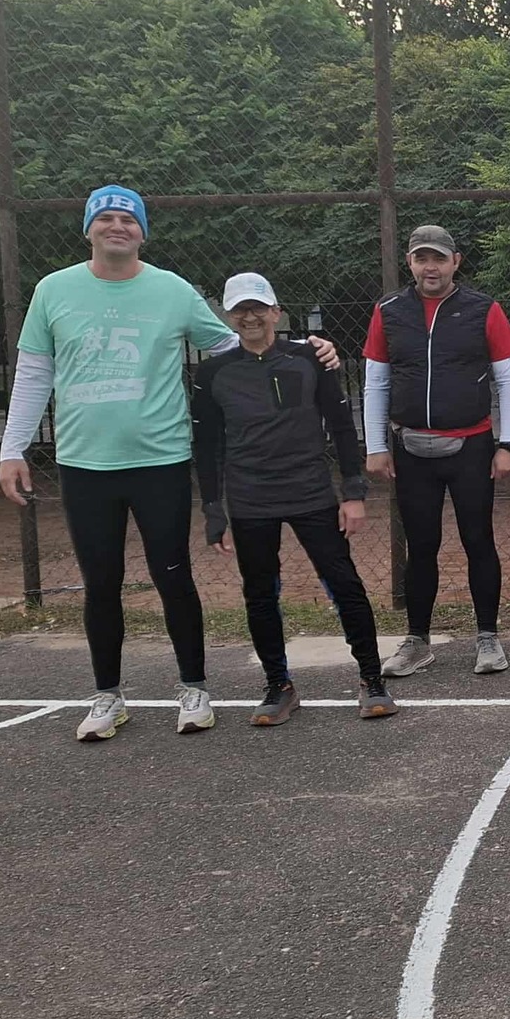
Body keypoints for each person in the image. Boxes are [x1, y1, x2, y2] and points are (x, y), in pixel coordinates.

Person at [0, 185, 339, 741]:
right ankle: (107, 696)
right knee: (100, 582)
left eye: (128, 220)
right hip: (85, 462)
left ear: (142, 233)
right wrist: (13, 449)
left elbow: (237, 343)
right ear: (88, 229)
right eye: (106, 218)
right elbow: (35, 373)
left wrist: (307, 349)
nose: (117, 227)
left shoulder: (172, 290)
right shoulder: (53, 290)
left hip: (160, 459)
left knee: (173, 575)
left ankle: (194, 688)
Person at [192, 273, 394, 724]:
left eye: (258, 308)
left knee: (344, 585)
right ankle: (278, 685)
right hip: (249, 501)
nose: (250, 317)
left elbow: (341, 427)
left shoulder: (310, 358)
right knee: (261, 594)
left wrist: (353, 492)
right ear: (229, 317)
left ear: (276, 313)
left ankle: (371, 679)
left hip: (311, 493)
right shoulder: (212, 373)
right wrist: (213, 511)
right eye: (240, 310)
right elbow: (206, 447)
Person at [363, 224, 510, 678]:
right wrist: (376, 445)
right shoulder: (389, 311)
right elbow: (376, 382)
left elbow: (508, 380)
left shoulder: (484, 309)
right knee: (421, 546)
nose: (430, 267)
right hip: (411, 449)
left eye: (438, 258)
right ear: (410, 263)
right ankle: (418, 640)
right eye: (421, 259)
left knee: (478, 540)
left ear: (456, 262)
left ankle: (488, 637)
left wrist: (509, 444)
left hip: (471, 446)